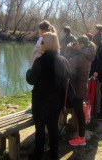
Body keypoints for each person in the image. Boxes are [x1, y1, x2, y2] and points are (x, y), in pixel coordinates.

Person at [26, 32, 70, 160]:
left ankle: (38, 154)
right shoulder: (63, 60)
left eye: (42, 42)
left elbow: (31, 80)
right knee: (53, 127)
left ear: (47, 44)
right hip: (57, 101)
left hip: (41, 101)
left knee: (40, 129)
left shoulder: (40, 61)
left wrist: (29, 72)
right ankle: (54, 154)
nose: (41, 44)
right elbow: (67, 79)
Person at [66, 36, 95, 146]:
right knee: (78, 112)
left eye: (77, 43)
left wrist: (68, 49)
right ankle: (80, 135)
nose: (75, 45)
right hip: (81, 87)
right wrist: (74, 50)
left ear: (82, 44)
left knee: (79, 113)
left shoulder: (82, 57)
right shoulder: (85, 54)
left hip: (78, 89)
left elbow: (68, 64)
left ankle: (81, 138)